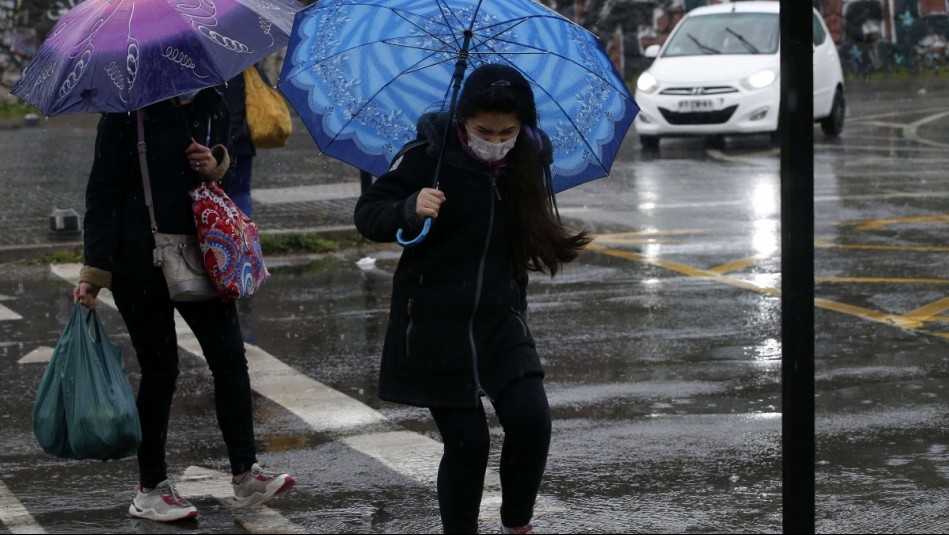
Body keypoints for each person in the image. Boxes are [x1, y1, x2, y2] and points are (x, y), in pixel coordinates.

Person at [353, 63, 591, 534]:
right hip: (434, 322)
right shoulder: (427, 155)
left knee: (531, 421)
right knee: (468, 443)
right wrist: (408, 207)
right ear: (463, 119)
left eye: (507, 131)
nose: (496, 140)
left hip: (500, 318)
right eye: (484, 130)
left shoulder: (528, 158)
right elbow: (368, 214)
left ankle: (516, 525)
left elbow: (527, 230)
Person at [73, 87, 294, 523]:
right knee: (161, 372)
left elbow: (221, 170)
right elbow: (102, 193)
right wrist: (94, 272)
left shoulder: (214, 99)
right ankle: (150, 489)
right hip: (138, 259)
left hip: (202, 252)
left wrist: (215, 164)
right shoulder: (126, 112)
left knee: (231, 360)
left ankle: (245, 473)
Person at [220, 69, 256, 217]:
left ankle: (228, 233)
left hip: (219, 142)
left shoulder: (208, 66)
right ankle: (244, 235)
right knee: (240, 191)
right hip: (242, 137)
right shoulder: (244, 57)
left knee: (218, 193)